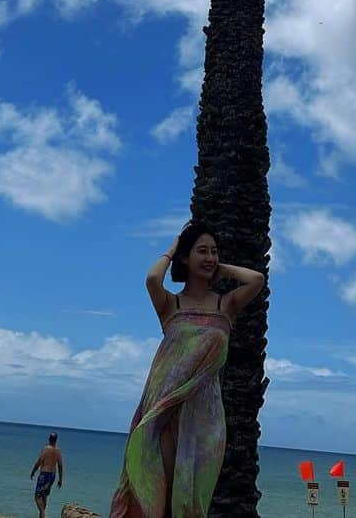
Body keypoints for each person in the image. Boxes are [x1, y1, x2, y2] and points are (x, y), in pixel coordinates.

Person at [109, 221, 265, 518]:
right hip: (166, 409)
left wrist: (223, 268)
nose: (210, 257)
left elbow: (256, 280)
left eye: (214, 252)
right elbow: (153, 278)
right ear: (185, 257)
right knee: (159, 488)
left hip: (205, 416)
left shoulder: (226, 305)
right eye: (202, 251)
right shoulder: (171, 304)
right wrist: (172, 249)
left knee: (191, 497)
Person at [30, 431, 64, 517]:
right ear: (56, 440)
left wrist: (33, 471)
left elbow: (39, 462)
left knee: (37, 496)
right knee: (44, 496)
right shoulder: (58, 451)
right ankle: (42, 515)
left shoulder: (46, 449)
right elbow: (60, 466)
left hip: (44, 475)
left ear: (49, 439)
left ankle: (43, 513)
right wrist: (60, 479)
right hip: (52, 475)